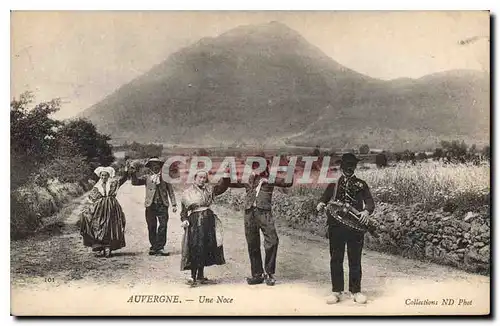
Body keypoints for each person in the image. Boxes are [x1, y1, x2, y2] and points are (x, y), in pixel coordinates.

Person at [316, 153, 375, 305]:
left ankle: (356, 291)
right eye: (347, 166)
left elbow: (370, 202)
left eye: (352, 166)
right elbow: (324, 199)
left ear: (355, 167)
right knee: (336, 259)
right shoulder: (333, 185)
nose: (349, 168)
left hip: (355, 228)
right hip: (336, 227)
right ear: (342, 167)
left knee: (355, 259)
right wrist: (321, 204)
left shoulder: (362, 185)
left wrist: (366, 212)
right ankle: (336, 291)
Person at [229, 158, 294, 286]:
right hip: (249, 213)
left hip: (264, 213)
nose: (257, 169)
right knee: (252, 243)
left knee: (272, 240)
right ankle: (257, 274)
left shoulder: (270, 179)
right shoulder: (248, 179)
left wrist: (290, 164)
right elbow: (231, 182)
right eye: (255, 166)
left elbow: (289, 182)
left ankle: (269, 273)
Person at [180, 170, 231, 287]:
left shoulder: (209, 190)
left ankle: (201, 276)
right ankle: (193, 276)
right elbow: (183, 211)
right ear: (195, 178)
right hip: (195, 222)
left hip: (208, 221)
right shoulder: (187, 193)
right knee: (195, 247)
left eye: (204, 178)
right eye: (200, 178)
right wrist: (184, 220)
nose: (202, 180)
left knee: (205, 247)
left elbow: (222, 187)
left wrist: (226, 176)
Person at [130, 157, 177, 256]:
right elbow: (135, 182)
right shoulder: (147, 177)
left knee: (163, 226)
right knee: (151, 226)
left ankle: (161, 247)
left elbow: (171, 191)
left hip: (162, 205)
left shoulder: (165, 177)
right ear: (150, 167)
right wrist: (133, 173)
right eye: (153, 165)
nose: (155, 167)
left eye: (157, 165)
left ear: (160, 166)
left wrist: (174, 204)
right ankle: (154, 246)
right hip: (150, 205)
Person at [80, 166, 128, 258]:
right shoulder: (96, 187)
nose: (103, 177)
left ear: (108, 176)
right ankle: (100, 246)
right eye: (102, 175)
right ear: (100, 176)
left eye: (105, 175)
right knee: (99, 226)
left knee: (111, 226)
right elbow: (91, 199)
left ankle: (108, 247)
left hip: (112, 207)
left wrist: (126, 171)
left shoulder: (114, 184)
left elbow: (123, 180)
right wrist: (87, 209)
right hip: (99, 208)